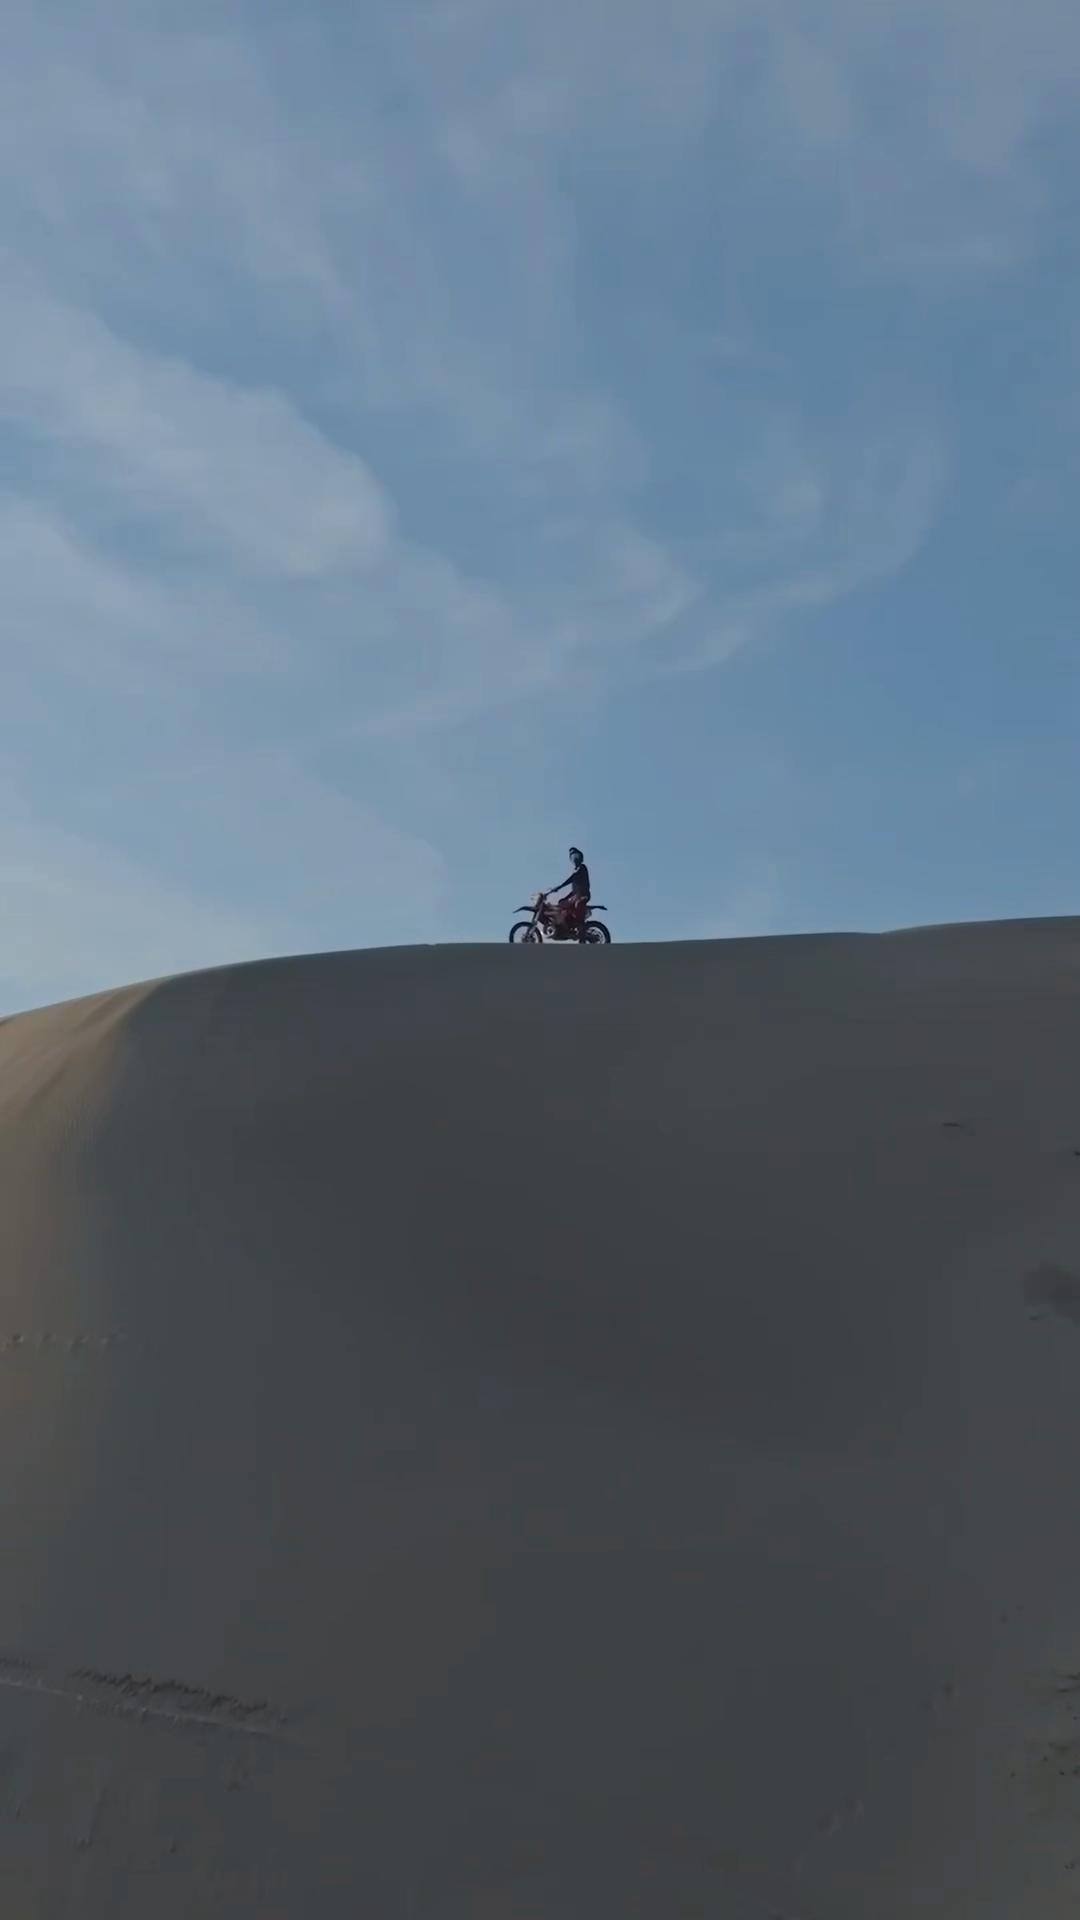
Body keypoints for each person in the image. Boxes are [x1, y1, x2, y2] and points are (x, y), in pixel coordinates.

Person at [550, 847, 591, 940]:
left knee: (578, 905)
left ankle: (581, 929)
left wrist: (559, 887)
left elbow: (572, 878)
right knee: (561, 904)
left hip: (583, 895)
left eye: (576, 856)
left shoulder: (582, 868)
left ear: (581, 858)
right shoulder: (576, 871)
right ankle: (566, 926)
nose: (575, 859)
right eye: (573, 857)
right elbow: (573, 891)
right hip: (575, 896)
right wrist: (565, 898)